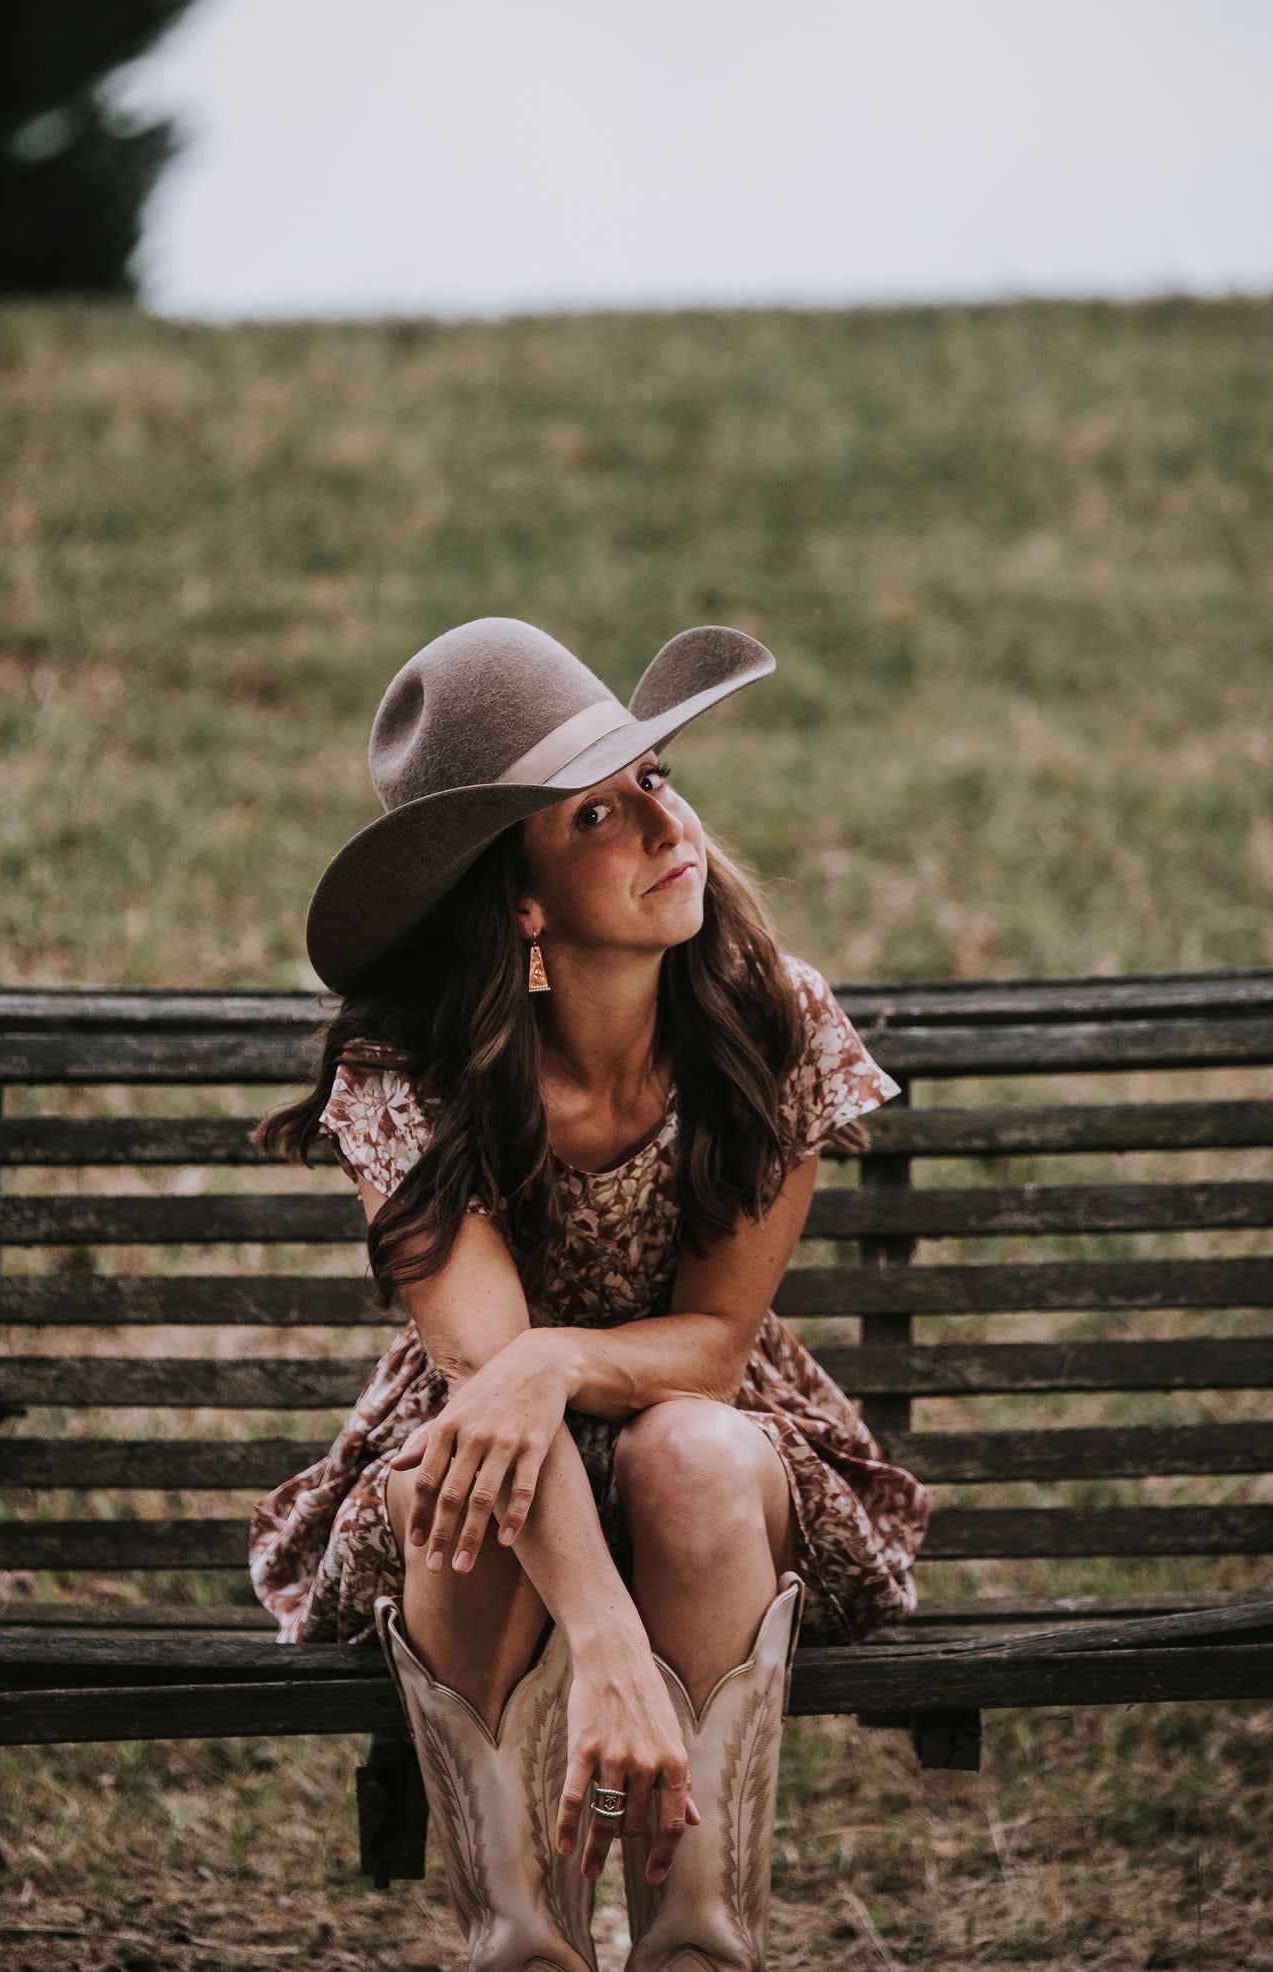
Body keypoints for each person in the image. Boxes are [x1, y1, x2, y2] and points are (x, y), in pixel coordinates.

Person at [249, 617, 930, 1972]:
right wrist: (606, 1634)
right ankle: (524, 1942)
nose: (668, 824)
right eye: (597, 815)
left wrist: (557, 1360)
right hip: (484, 1462)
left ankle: (697, 1945)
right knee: (463, 1490)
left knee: (686, 1454)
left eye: (655, 780)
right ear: (520, 901)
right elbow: (487, 1385)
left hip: (707, 1434)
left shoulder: (767, 1023)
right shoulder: (406, 1072)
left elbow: (715, 1345)